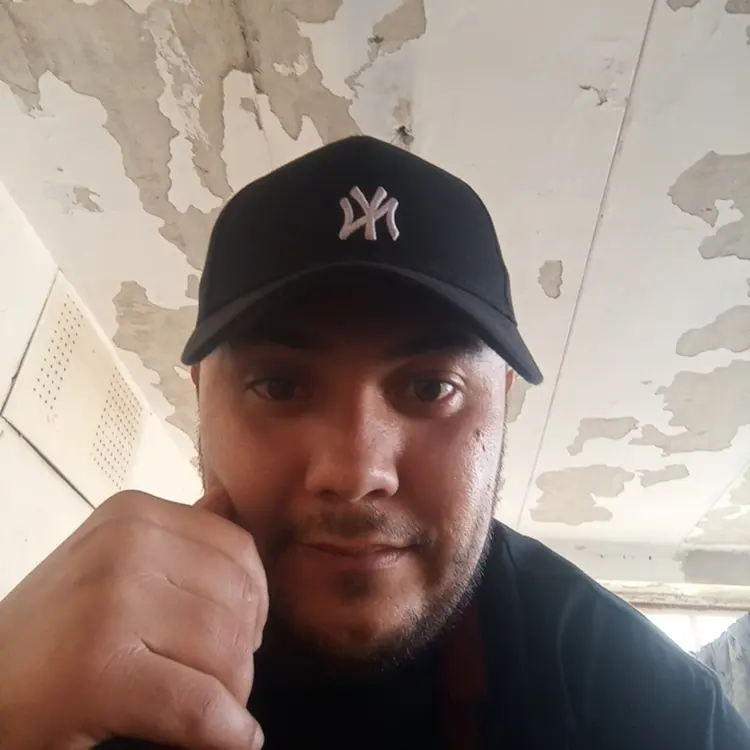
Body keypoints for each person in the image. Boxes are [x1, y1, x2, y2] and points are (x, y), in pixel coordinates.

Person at [0, 136, 746, 750]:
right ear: (201, 398)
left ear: (503, 403)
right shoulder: (70, 688)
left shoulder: (646, 704)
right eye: (279, 386)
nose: (356, 471)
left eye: (430, 388)